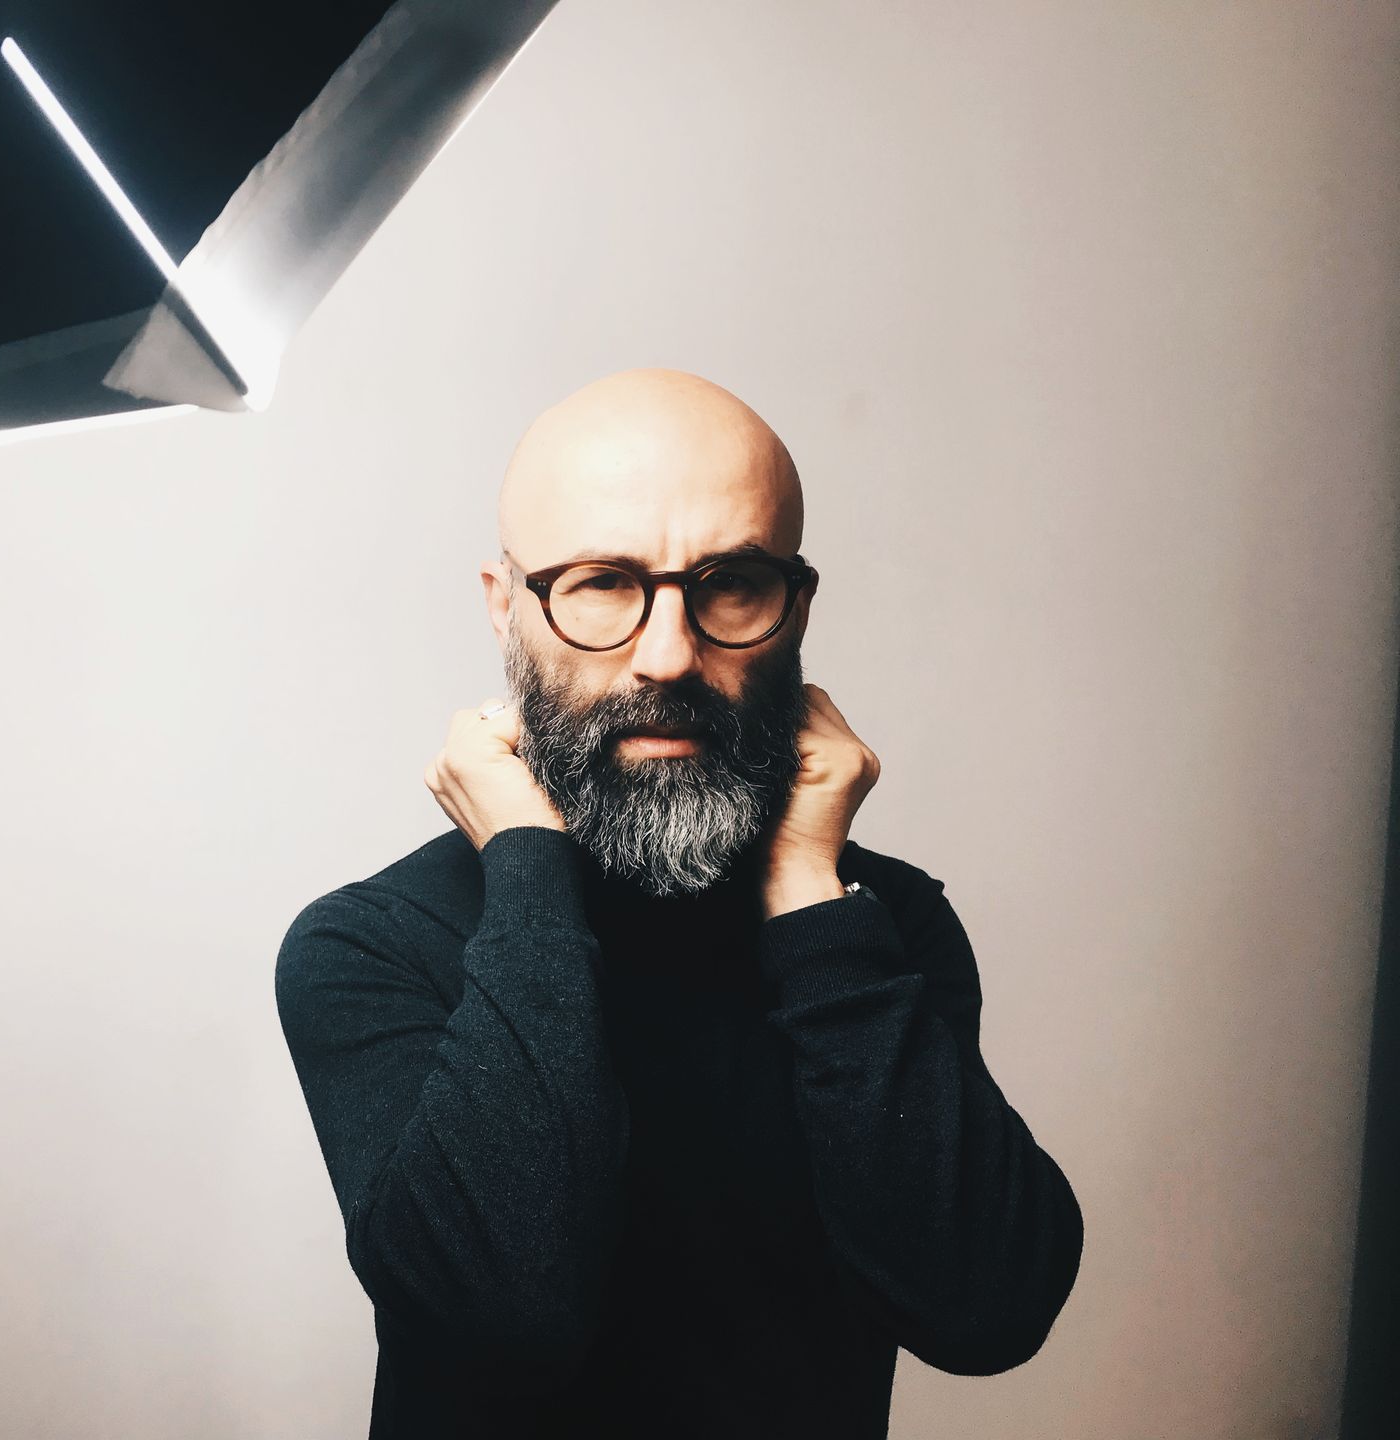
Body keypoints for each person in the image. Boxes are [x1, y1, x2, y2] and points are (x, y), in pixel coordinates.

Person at [273, 368, 1084, 1438]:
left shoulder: (875, 925)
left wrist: (811, 896)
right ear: (506, 607)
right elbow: (498, 1322)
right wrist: (528, 868)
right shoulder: (370, 944)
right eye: (604, 583)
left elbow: (985, 1310)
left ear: (796, 608)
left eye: (730, 582)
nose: (668, 655)